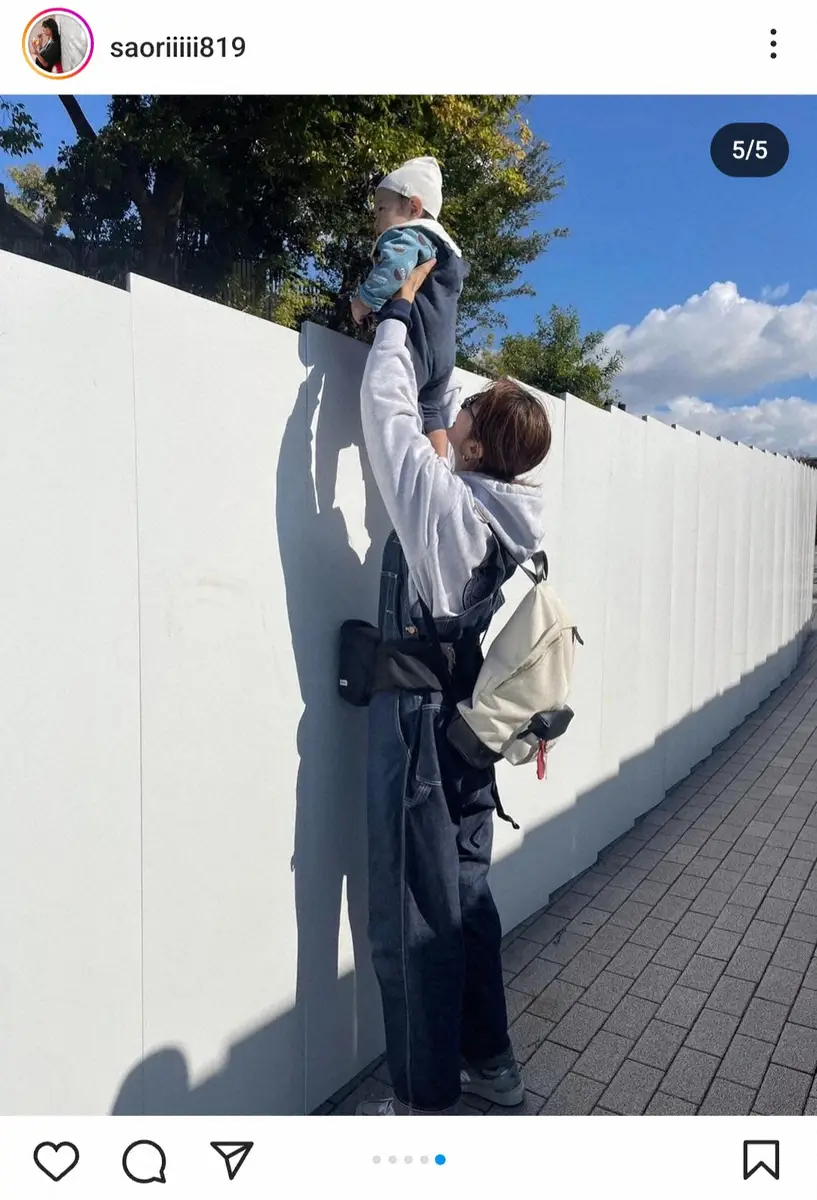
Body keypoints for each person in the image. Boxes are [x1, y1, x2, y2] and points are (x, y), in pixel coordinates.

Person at [356, 257, 552, 1115]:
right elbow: (434, 440)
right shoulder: (503, 508)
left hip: (424, 740)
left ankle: (420, 1109)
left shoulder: (445, 511)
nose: (456, 410)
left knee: (414, 925)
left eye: (466, 410)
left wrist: (398, 313)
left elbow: (389, 417)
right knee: (466, 902)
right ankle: (492, 1066)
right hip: (469, 737)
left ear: (472, 447)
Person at [351, 157, 468, 461]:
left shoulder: (406, 235)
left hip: (414, 344)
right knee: (431, 410)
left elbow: (395, 270)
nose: (376, 220)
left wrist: (362, 302)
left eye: (381, 209)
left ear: (414, 208)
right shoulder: (449, 255)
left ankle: (407, 468)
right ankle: (440, 470)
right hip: (444, 355)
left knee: (397, 402)